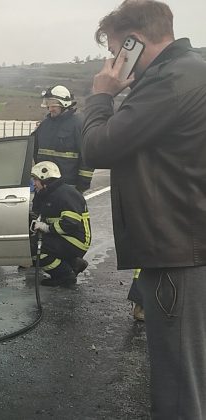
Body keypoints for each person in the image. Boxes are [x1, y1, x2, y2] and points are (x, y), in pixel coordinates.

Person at [82, 1, 206, 417]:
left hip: (177, 253)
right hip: (186, 245)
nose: (114, 61)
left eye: (117, 49)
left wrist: (101, 95)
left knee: (178, 388)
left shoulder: (172, 80)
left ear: (134, 42)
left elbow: (97, 147)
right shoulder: (189, 72)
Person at [29, 161, 91, 287]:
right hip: (65, 236)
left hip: (76, 240)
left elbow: (70, 223)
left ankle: (65, 275)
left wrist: (46, 228)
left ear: (45, 180)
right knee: (35, 241)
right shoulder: (46, 193)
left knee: (34, 248)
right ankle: (74, 263)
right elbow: (38, 211)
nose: (34, 184)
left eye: (35, 180)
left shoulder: (65, 194)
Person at [34, 85, 94, 193]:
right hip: (44, 185)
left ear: (64, 104)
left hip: (68, 186)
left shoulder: (78, 124)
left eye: (53, 106)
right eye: (48, 105)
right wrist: (36, 178)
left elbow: (87, 156)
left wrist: (82, 185)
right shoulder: (44, 125)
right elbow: (32, 150)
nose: (50, 109)